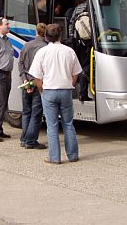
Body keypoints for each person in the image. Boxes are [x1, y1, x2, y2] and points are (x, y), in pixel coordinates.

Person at [28, 24, 81, 164]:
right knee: (68, 123)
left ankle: (54, 157)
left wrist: (41, 90)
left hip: (49, 91)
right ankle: (73, 155)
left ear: (46, 36)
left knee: (52, 126)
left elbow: (37, 78)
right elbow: (76, 73)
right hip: (66, 91)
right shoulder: (69, 51)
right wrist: (70, 84)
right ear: (60, 36)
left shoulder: (42, 52)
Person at [18, 23, 47, 149]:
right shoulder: (46, 47)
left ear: (36, 32)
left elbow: (20, 64)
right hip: (38, 84)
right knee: (36, 114)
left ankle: (24, 139)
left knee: (26, 112)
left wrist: (25, 80)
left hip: (26, 83)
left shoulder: (27, 45)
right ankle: (31, 141)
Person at [69, 0, 91, 102]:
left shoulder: (78, 7)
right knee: (86, 67)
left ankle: (82, 93)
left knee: (82, 66)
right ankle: (84, 93)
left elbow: (72, 24)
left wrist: (72, 38)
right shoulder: (94, 5)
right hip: (91, 43)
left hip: (80, 42)